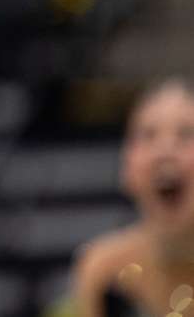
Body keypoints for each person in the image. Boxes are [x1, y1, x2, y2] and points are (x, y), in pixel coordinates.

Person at [73, 78, 194, 317]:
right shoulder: (105, 271)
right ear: (127, 170)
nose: (165, 150)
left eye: (186, 134)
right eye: (148, 135)